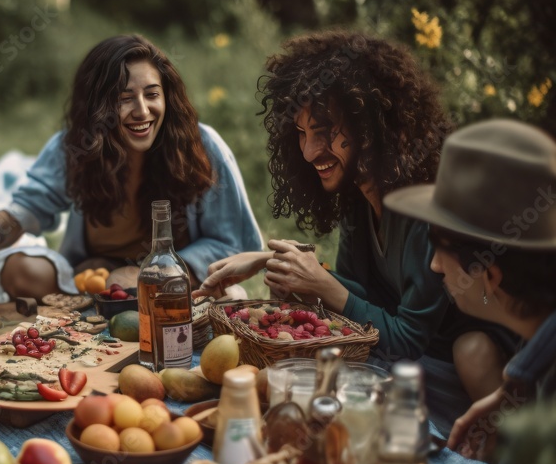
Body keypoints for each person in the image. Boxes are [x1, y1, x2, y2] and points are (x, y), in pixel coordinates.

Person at [195, 30, 516, 431]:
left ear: (371, 124)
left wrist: (323, 285)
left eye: (325, 130)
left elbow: (404, 337)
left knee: (473, 350)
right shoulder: (358, 199)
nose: (310, 152)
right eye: (301, 133)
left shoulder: (426, 208)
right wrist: (269, 260)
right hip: (398, 361)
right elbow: (361, 300)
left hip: (450, 364)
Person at [0, 34, 263, 301]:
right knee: (20, 269)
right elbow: (22, 214)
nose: (142, 111)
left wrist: (149, 274)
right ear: (97, 106)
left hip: (175, 283)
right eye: (124, 98)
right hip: (93, 286)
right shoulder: (74, 147)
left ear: (167, 97)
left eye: (152, 94)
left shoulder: (203, 147)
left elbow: (232, 246)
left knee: (232, 299)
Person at [382, 119, 556, 459]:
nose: (433, 266)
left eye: (439, 246)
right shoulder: (534, 340)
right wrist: (513, 386)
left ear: (489, 274)